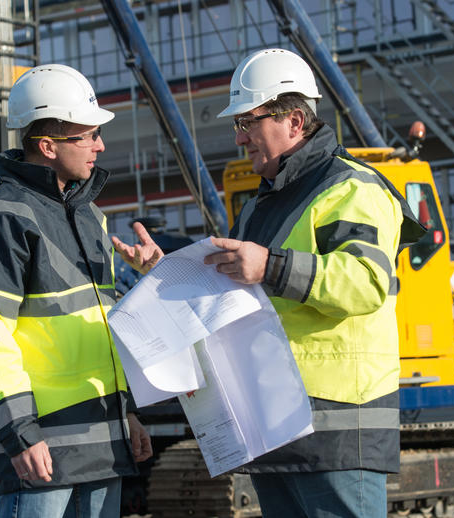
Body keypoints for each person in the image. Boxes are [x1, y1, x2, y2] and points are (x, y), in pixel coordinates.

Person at [113, 48, 424, 517]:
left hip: (335, 425)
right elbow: (230, 289)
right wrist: (166, 269)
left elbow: (365, 283)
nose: (239, 138)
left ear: (294, 121)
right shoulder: (262, 204)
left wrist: (271, 266)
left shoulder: (353, 189)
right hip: (272, 421)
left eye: (247, 123)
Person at [0, 63, 152, 518]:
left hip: (102, 441)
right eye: (87, 135)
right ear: (47, 145)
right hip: (39, 448)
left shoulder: (90, 216)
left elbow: (100, 329)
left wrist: (129, 413)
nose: (100, 145)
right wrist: (18, 431)